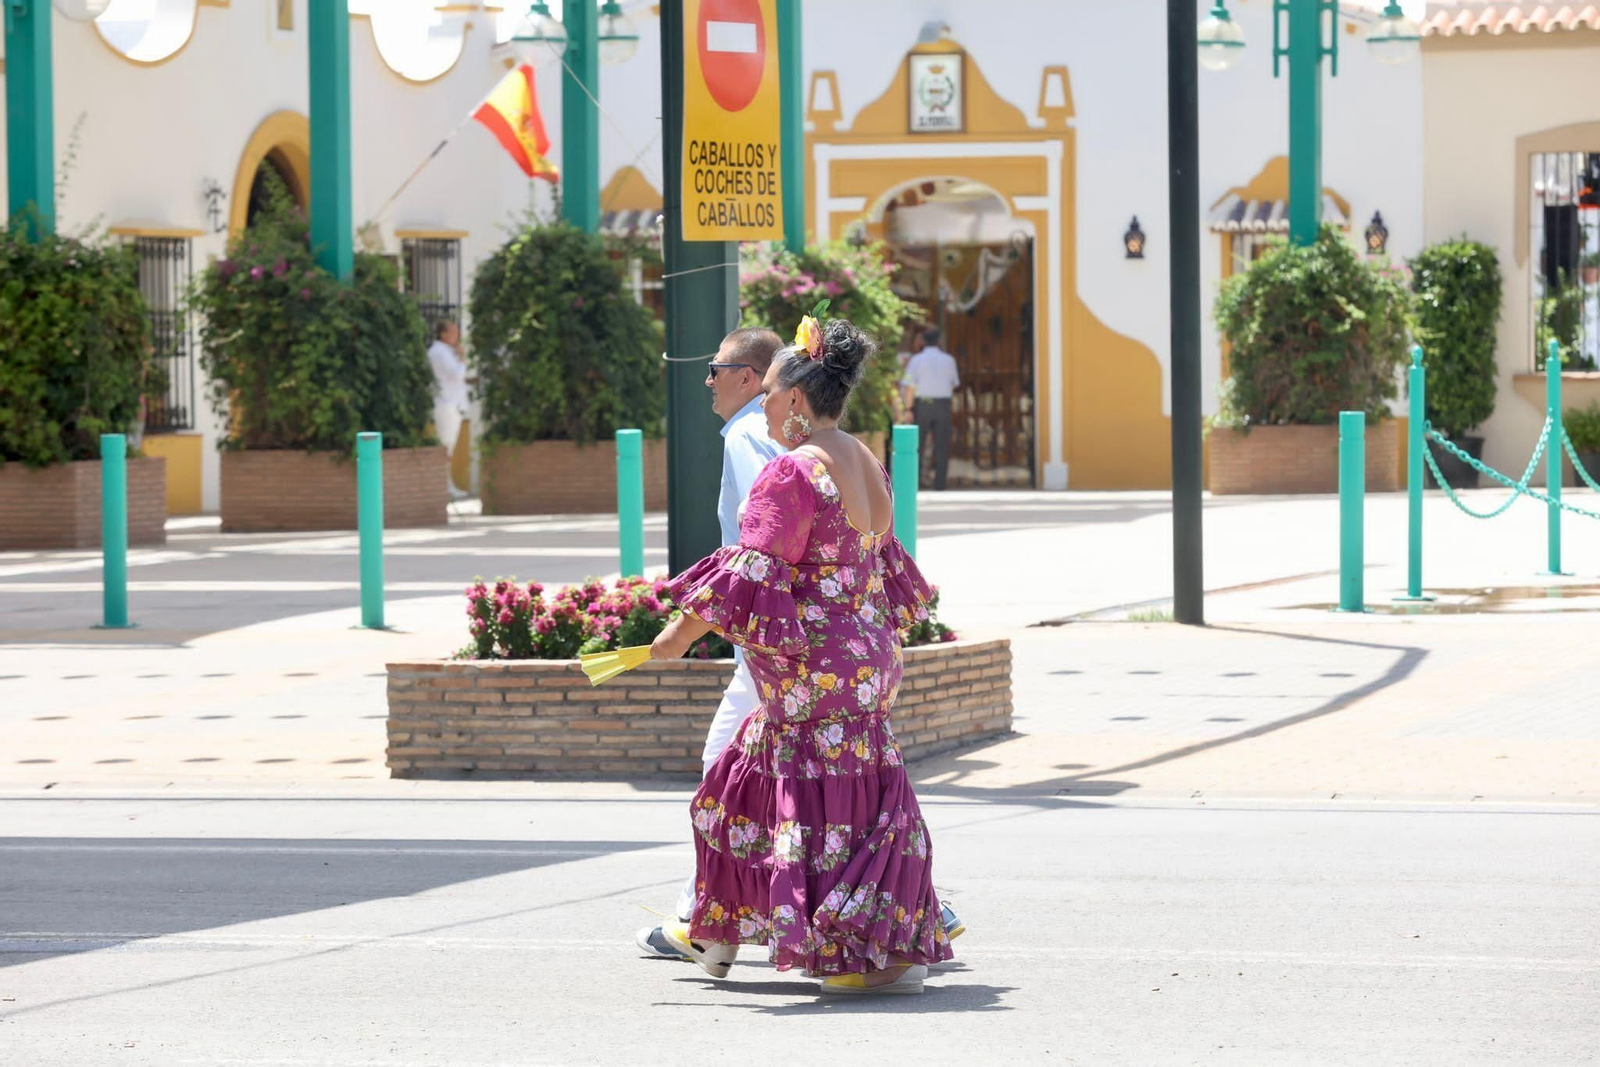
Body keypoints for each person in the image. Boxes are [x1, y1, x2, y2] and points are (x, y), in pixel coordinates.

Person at [651, 315, 955, 995]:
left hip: (809, 667)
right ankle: (721, 933)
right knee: (768, 785)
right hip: (868, 658)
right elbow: (881, 561)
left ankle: (831, 946)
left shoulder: (792, 470)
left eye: (767, 393)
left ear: (793, 397)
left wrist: (674, 638)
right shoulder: (864, 459)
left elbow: (752, 568)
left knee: (736, 795)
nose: (762, 406)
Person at [633, 327, 786, 961]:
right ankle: (706, 916)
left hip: (772, 639)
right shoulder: (811, 440)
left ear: (748, 377)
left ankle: (704, 920)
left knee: (723, 767)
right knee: (802, 776)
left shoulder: (748, 435)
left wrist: (687, 626)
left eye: (716, 368)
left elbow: (760, 542)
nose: (707, 380)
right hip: (804, 636)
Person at [899, 325, 960, 491]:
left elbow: (909, 386)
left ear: (923, 342)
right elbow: (954, 384)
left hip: (923, 404)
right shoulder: (949, 360)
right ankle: (940, 484)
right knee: (942, 444)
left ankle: (916, 483)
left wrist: (908, 409)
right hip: (943, 404)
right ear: (939, 341)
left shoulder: (916, 360)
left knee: (918, 444)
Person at [427, 319, 470, 500]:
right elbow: (456, 374)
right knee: (445, 447)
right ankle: (444, 487)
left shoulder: (446, 351)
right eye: (453, 332)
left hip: (453, 405)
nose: (457, 336)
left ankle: (448, 486)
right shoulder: (439, 352)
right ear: (443, 334)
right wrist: (462, 358)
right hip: (446, 405)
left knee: (449, 447)